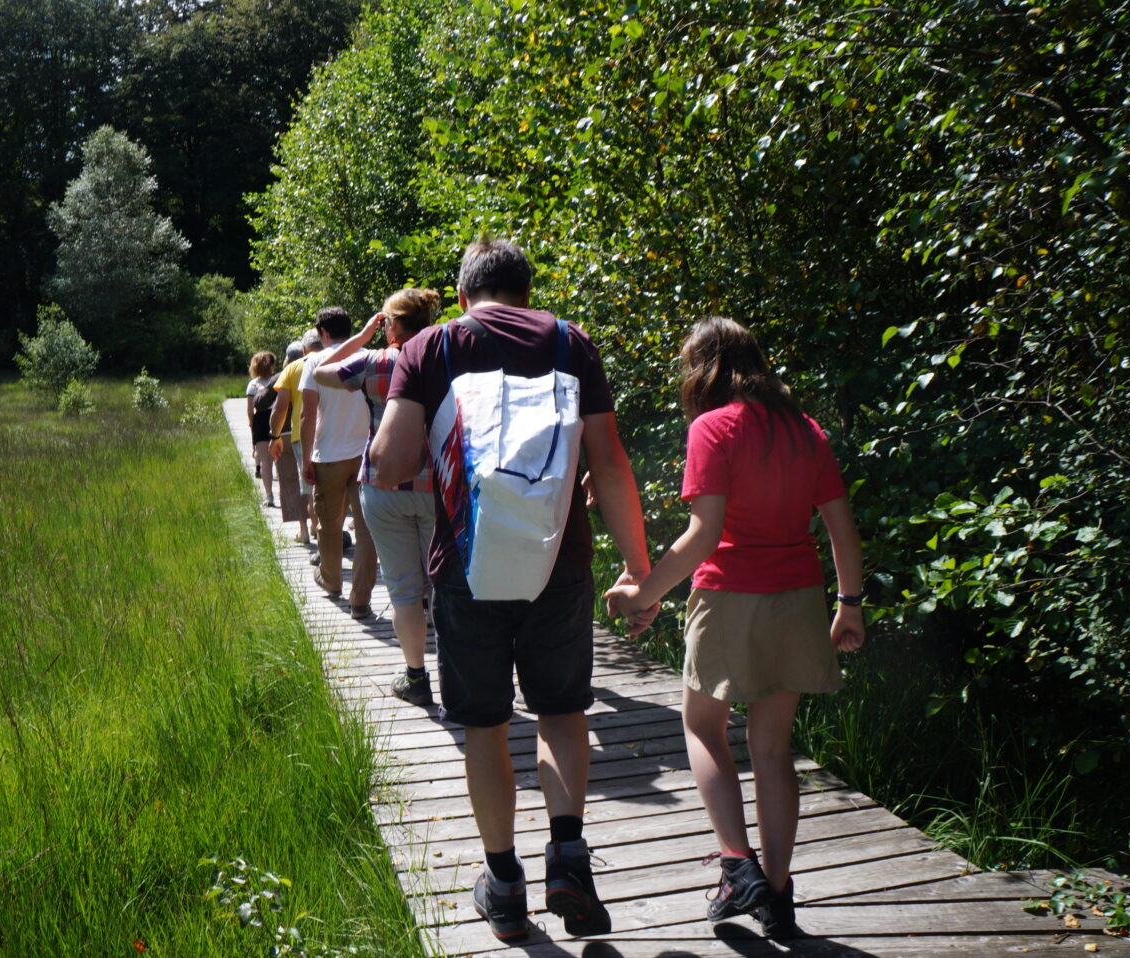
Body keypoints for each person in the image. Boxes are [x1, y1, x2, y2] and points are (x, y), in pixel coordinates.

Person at [371, 239, 654, 943]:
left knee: (487, 725)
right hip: (560, 561)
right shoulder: (570, 342)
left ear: (462, 295)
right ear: (527, 292)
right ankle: (569, 857)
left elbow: (390, 461)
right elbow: (610, 464)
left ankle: (503, 885)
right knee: (561, 711)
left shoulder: (431, 347)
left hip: (467, 566)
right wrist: (639, 571)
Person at [604, 315, 866, 941]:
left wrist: (642, 593)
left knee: (702, 726)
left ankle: (736, 864)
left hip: (729, 597)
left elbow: (704, 535)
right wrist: (850, 604)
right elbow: (841, 526)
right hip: (798, 600)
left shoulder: (712, 427)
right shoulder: (805, 430)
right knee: (772, 749)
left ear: (704, 371)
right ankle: (777, 895)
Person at [313, 288, 440, 706]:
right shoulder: (443, 359)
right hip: (437, 486)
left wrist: (363, 336)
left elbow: (320, 371)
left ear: (391, 325)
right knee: (443, 584)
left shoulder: (371, 361)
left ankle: (416, 678)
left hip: (383, 486)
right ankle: (459, 677)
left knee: (403, 588)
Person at [300, 307, 379, 618]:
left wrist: (306, 458)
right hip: (366, 453)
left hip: (329, 454)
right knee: (366, 529)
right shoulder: (370, 357)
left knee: (329, 525)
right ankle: (360, 600)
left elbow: (307, 414)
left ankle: (331, 581)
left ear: (323, 333)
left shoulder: (315, 362)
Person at [269, 332, 320, 544]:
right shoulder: (340, 360)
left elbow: (280, 408)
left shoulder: (294, 367)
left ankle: (314, 531)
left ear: (304, 349)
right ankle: (321, 530)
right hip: (335, 433)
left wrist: (275, 436)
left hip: (302, 434)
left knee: (310, 487)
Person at [245, 351, 278, 506]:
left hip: (260, 421)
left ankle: (269, 495)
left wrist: (252, 424)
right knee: (280, 459)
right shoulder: (278, 380)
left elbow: (250, 410)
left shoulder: (252, 385)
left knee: (265, 461)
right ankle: (286, 493)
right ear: (271, 365)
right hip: (277, 419)